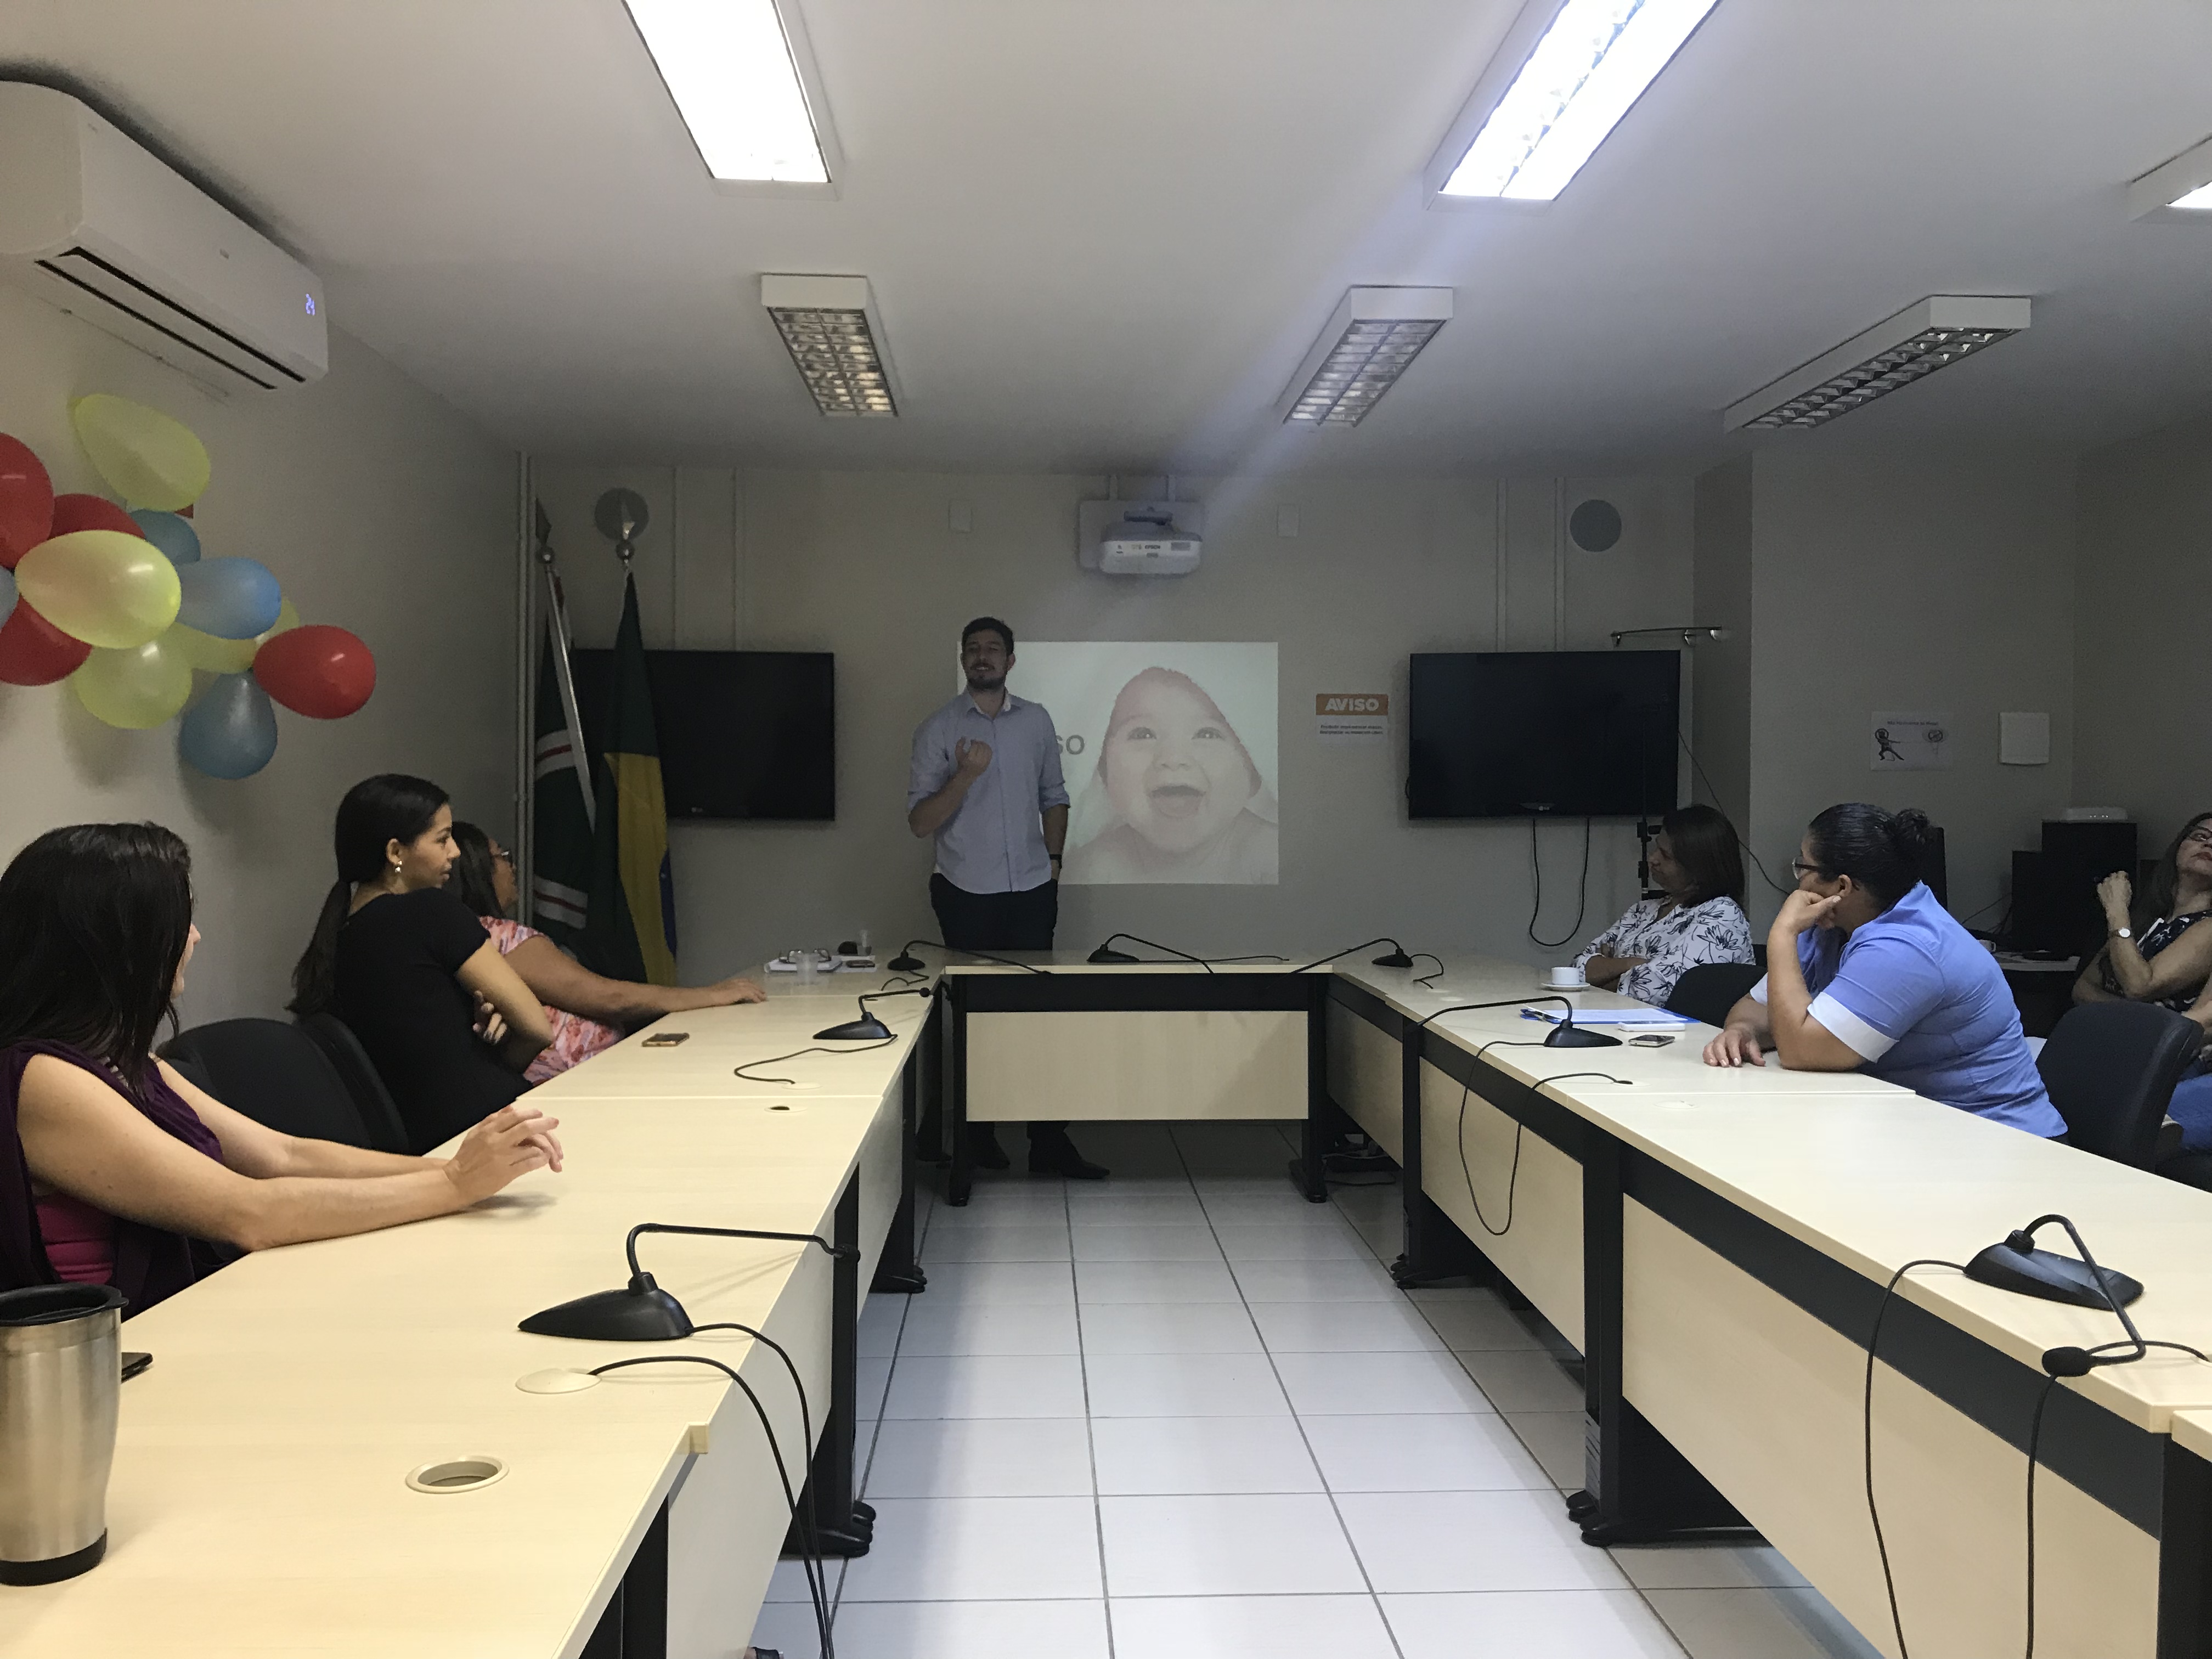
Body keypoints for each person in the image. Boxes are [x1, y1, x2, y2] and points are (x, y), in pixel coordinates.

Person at [0, 822, 561, 1309]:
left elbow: (282, 1156)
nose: (194, 935)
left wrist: (458, 1170)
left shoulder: (124, 1062)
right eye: (181, 919)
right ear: (123, 943)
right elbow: (248, 1214)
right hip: (127, 1358)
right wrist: (455, 1184)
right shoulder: (43, 1079)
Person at [1703, 803, 2064, 1138]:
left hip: (1996, 1137)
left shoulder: (1908, 948)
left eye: (1804, 867)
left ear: (1842, 886)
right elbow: (1753, 1008)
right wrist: (1743, 1030)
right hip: (1908, 1123)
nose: (1798, 881)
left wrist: (1782, 934)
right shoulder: (1830, 925)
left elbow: (1801, 1051)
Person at [907, 616, 1106, 1179]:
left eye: (993, 648)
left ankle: (1048, 1144)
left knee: (1039, 1017)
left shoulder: (1036, 720)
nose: (983, 656)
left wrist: (1055, 862)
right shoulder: (938, 729)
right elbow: (920, 823)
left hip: (1033, 890)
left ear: (1010, 661)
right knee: (977, 1018)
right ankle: (977, 1141)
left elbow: (1054, 795)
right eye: (973, 649)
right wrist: (965, 777)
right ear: (963, 660)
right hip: (965, 892)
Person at [292, 776, 555, 1156]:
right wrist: (490, 1057)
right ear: (396, 852)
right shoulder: (431, 911)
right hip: (491, 1131)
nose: (456, 852)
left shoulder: (336, 942)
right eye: (442, 839)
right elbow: (536, 1029)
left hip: (419, 1147)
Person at [447, 821, 766, 1082]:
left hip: (594, 1075)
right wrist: (710, 995)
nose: (513, 866)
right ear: (478, 870)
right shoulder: (499, 937)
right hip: (578, 1086)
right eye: (503, 856)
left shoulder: (466, 934)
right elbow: (609, 998)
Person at [1062, 667, 1278, 884]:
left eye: (1206, 734)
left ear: (1254, 773)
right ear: (1103, 772)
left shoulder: (1270, 855)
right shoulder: (1094, 868)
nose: (1174, 758)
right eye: (1143, 734)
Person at [1574, 803, 1754, 1006]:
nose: (1652, 859)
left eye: (1666, 856)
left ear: (1699, 868)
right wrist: (1631, 964)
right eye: (1656, 848)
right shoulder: (1642, 910)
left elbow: (1655, 990)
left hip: (1678, 1025)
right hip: (1611, 1016)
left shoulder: (1722, 914)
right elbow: (1575, 969)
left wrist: (1605, 970)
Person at [2073, 812, 2212, 1014]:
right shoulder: (2146, 918)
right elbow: (2083, 988)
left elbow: (2139, 986)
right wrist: (2137, 1015)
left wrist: (2117, 911)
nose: (2209, 844)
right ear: (2178, 847)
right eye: (2200, 836)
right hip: (2106, 1029)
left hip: (2158, 1036)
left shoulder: (2208, 926)